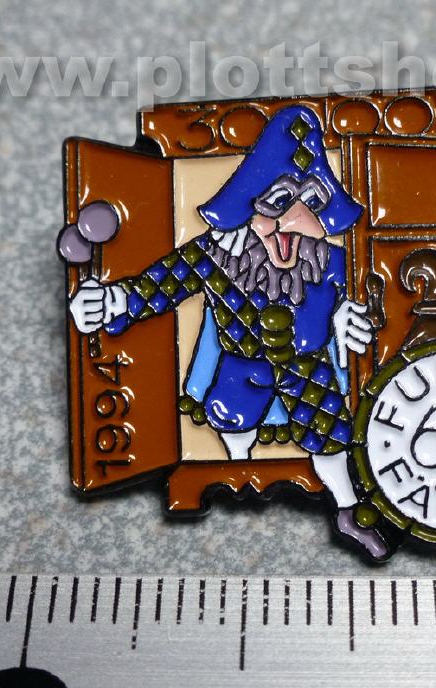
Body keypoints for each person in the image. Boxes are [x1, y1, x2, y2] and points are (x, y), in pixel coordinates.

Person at [69, 105, 387, 559]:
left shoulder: (332, 262)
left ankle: (348, 510)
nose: (294, 220)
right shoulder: (215, 255)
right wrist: (112, 301)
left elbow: (365, 298)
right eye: (278, 203)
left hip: (307, 367)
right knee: (231, 422)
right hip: (242, 367)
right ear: (248, 201)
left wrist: (347, 319)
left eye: (312, 204)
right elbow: (161, 285)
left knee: (330, 435)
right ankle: (236, 470)